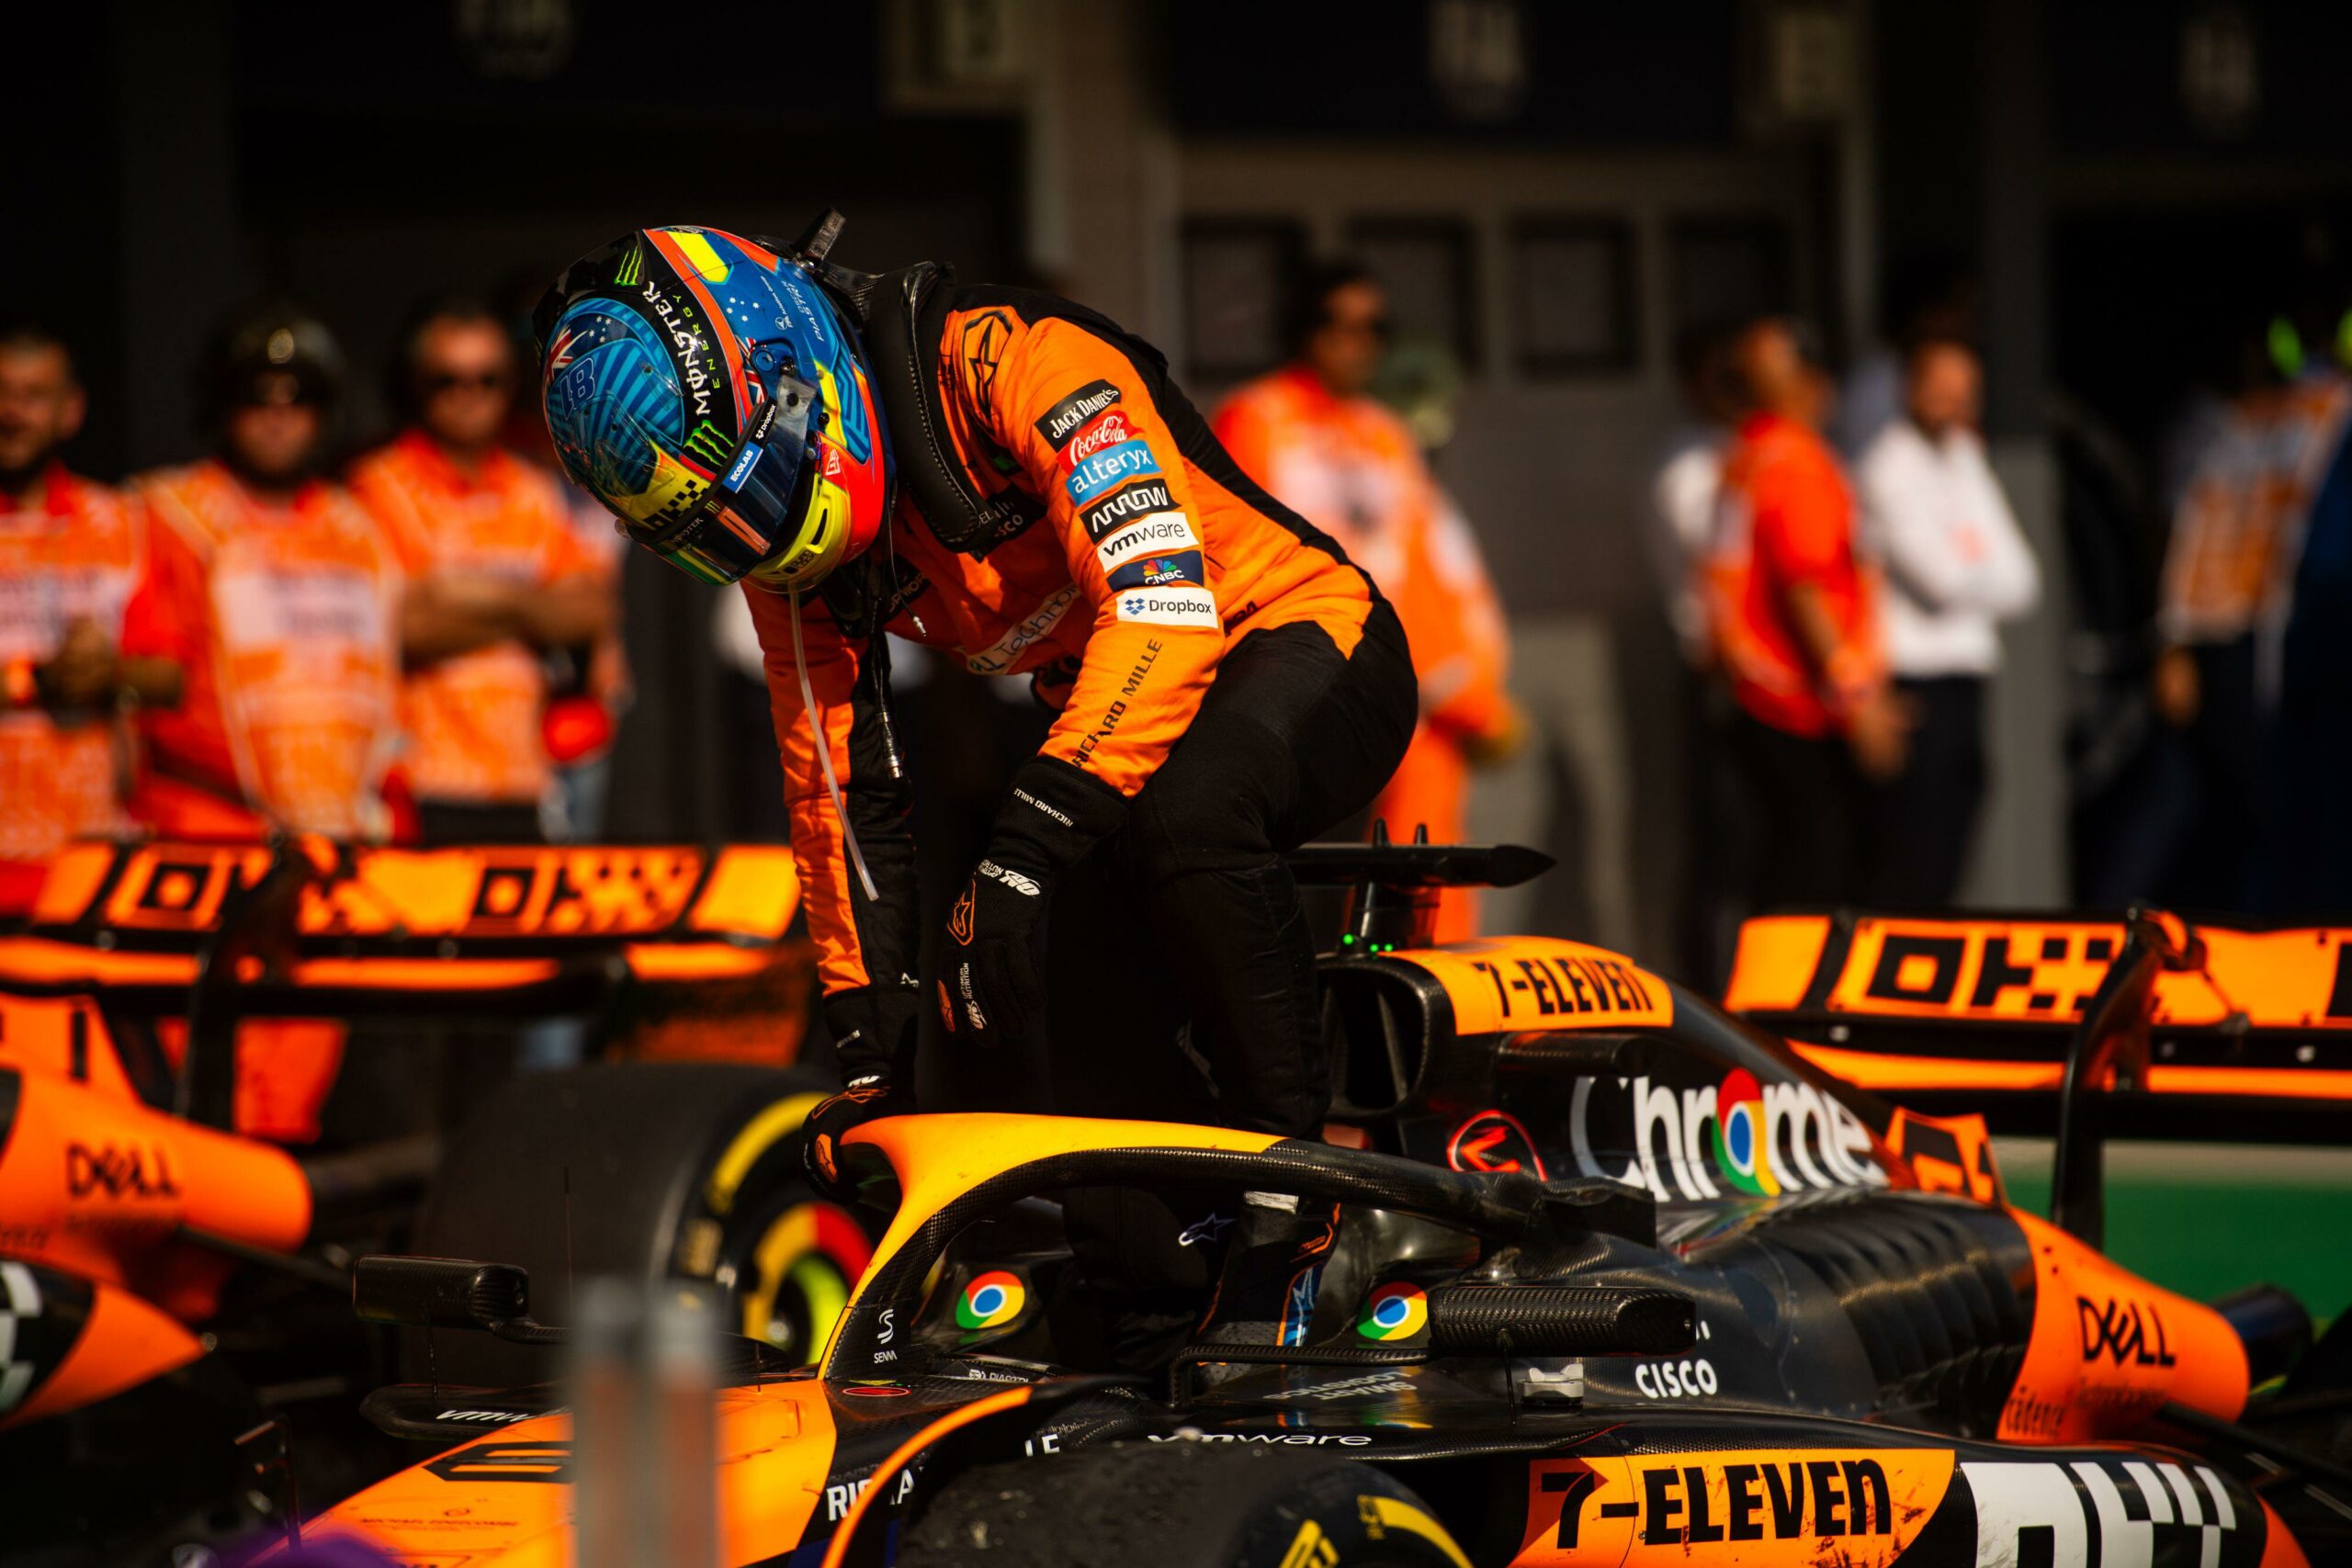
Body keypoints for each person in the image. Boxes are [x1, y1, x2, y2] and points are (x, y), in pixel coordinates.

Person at [536, 221, 1415, 1353]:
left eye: (759, 487)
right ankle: (1150, 1284)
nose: (765, 537)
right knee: (1032, 958)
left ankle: (1298, 1199)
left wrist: (1023, 852)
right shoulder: (789, 558)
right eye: (717, 532)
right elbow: (836, 792)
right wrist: (868, 1052)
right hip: (1126, 705)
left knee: (1172, 822)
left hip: (1304, 639)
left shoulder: (1018, 360)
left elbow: (1163, 610)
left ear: (794, 365)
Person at [119, 306, 403, 1141]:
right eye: (255, 398)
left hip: (327, 855)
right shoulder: (166, 513)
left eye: (299, 398)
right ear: (219, 405)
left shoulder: (359, 528)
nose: (278, 417)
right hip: (203, 846)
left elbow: (385, 689)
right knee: (197, 1103)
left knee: (296, 1104)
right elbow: (145, 672)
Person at [1213, 261, 1517, 941]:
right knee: (1307, 896)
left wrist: (1474, 686)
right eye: (1337, 324)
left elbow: (1435, 561)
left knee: (1414, 881)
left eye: (1373, 327)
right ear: (1302, 328)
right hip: (1303, 694)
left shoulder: (1385, 431)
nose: (1356, 342)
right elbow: (1238, 557)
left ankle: (1413, 998)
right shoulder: (1255, 417)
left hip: (1403, 695)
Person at [350, 297, 612, 844]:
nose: (469, 395)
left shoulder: (533, 492)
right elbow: (402, 629)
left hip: (525, 782)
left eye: (487, 379)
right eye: (447, 380)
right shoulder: (377, 487)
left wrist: (475, 596)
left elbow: (591, 610)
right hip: (419, 783)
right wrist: (534, 608)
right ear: (415, 385)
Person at [1704, 317, 1901, 910]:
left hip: (1753, 693)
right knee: (1816, 869)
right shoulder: (1793, 461)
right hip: (1796, 702)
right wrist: (1858, 696)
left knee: (1777, 865)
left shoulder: (1745, 456)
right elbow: (1806, 585)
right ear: (1814, 386)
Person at [0, 329, 181, 915]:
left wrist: (110, 673)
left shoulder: (118, 522)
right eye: (1, 393)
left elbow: (172, 676)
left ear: (70, 410)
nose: (12, 413)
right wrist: (34, 680)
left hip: (94, 861)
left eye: (33, 395)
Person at [1854, 336, 2040, 905]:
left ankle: (1937, 947)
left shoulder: (1963, 457)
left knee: (1962, 822)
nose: (1953, 404)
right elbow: (1941, 583)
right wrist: (1977, 563)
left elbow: (2025, 581)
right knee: (1915, 843)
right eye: (1940, 390)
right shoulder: (1887, 465)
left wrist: (1971, 570)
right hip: (1915, 677)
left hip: (1968, 673)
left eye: (1964, 392)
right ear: (1909, 389)